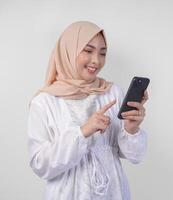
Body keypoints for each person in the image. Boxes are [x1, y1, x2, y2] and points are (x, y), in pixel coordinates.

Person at [27, 21, 149, 200]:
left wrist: (131, 129)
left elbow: (134, 156)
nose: (96, 61)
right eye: (88, 50)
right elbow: (40, 164)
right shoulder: (45, 102)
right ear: (69, 50)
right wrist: (83, 131)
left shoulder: (112, 92)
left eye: (103, 53)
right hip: (68, 194)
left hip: (112, 192)